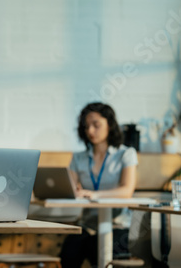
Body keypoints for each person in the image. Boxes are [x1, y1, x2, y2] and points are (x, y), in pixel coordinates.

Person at [59, 102, 138, 267]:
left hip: (118, 224)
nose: (90, 131)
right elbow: (70, 189)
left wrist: (95, 195)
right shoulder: (78, 158)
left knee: (99, 248)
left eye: (96, 125)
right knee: (70, 248)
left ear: (110, 124)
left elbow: (126, 191)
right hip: (88, 224)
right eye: (86, 126)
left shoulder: (126, 154)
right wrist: (74, 190)